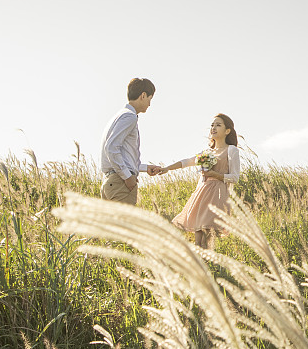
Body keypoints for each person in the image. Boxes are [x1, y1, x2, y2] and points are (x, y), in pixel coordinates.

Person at [161, 114, 241, 248]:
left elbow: (235, 177)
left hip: (218, 195)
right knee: (198, 241)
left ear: (227, 131)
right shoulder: (207, 152)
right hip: (202, 194)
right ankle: (200, 267)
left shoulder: (231, 150)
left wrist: (215, 174)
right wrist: (167, 168)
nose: (213, 128)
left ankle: (209, 266)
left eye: (218, 125)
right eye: (212, 125)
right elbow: (187, 162)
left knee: (207, 239)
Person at [100, 78, 160, 205]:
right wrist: (128, 177)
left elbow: (122, 154)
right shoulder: (129, 116)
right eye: (150, 99)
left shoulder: (119, 116)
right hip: (120, 183)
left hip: (112, 182)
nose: (149, 104)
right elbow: (111, 147)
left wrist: (144, 168)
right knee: (124, 225)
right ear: (143, 95)